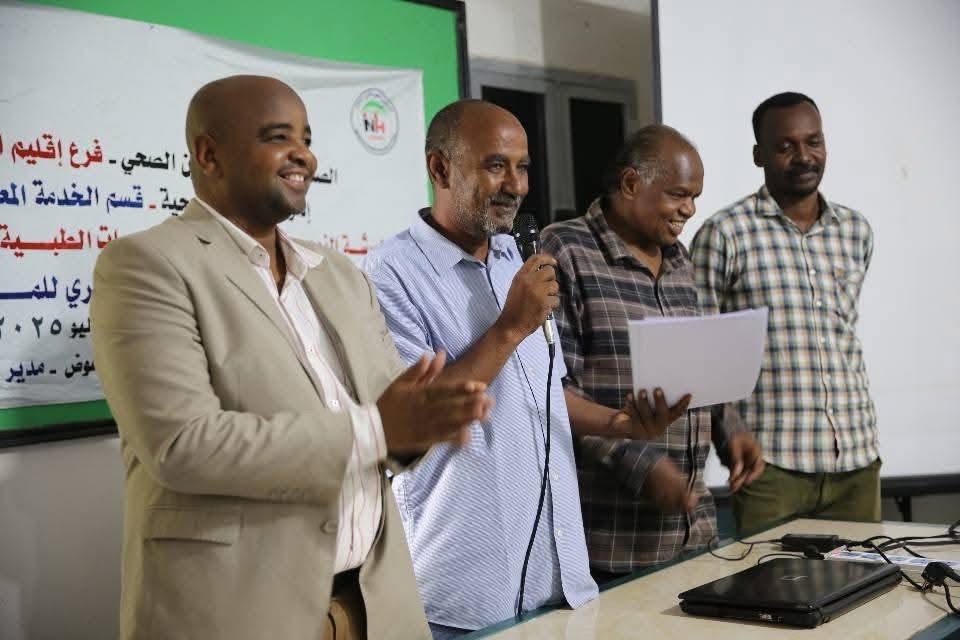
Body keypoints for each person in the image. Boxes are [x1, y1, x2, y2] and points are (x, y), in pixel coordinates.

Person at [90, 75, 491, 640]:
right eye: (279, 137)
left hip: (375, 607)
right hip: (241, 614)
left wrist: (420, 425)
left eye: (307, 138)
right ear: (209, 154)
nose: (304, 154)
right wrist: (379, 427)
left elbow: (386, 427)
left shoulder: (340, 274)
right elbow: (183, 446)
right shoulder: (146, 265)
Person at [364, 100, 682, 638]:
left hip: (562, 583)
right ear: (439, 168)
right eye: (496, 166)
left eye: (523, 167)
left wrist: (621, 424)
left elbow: (540, 395)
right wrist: (510, 327)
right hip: (465, 595)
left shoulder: (520, 259)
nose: (515, 185)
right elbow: (411, 419)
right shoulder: (389, 273)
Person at [540, 125, 764, 579]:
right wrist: (642, 467)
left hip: (695, 536)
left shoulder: (682, 261)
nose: (690, 209)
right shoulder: (565, 250)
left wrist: (731, 431)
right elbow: (551, 393)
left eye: (695, 197)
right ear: (630, 183)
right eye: (678, 194)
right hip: (611, 545)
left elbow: (700, 370)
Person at [690, 92, 880, 535]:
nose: (804, 156)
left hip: (856, 459)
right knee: (770, 579)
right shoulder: (725, 233)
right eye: (785, 146)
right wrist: (727, 431)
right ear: (759, 155)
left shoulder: (855, 231)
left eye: (813, 142)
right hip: (771, 466)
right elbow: (700, 350)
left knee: (866, 579)